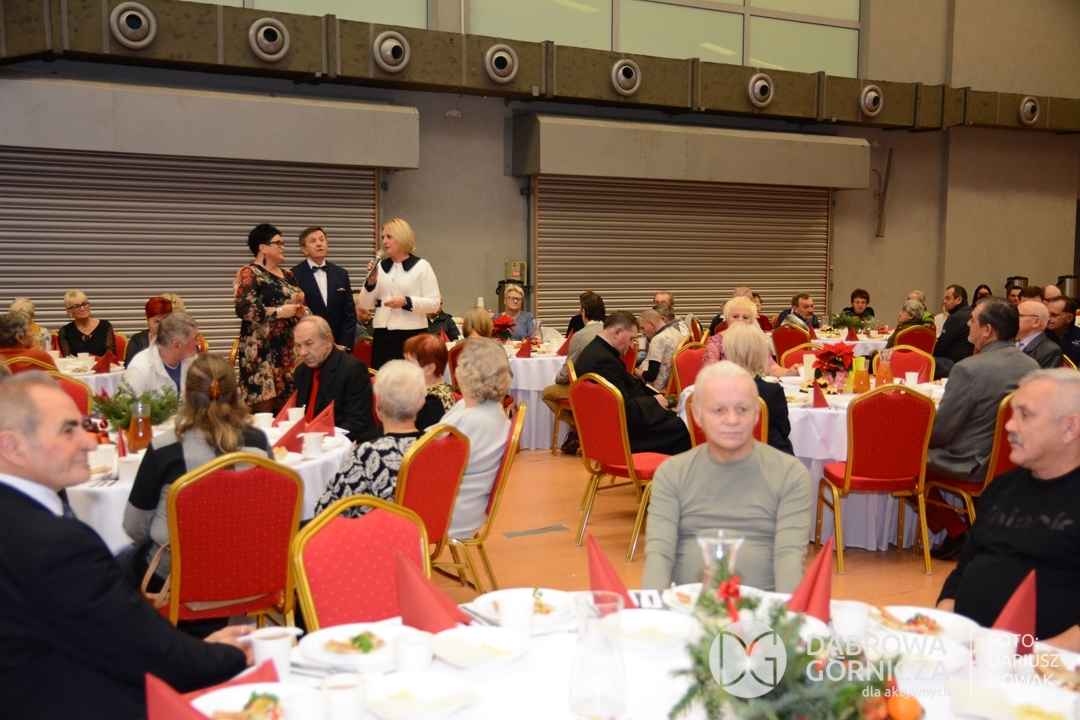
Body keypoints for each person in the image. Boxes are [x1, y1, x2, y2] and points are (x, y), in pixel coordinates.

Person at [0, 373, 252, 720]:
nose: (89, 442)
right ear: (12, 447)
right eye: (68, 430)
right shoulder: (55, 545)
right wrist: (237, 654)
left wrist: (193, 650)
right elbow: (153, 656)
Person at [937, 369, 1080, 650]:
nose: (1010, 426)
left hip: (1050, 664)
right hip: (970, 650)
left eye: (1025, 415)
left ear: (1070, 428)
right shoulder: (1002, 488)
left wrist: (1033, 658)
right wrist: (945, 624)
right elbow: (965, 567)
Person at [640, 361, 811, 592]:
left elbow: (789, 557)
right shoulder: (672, 474)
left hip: (764, 608)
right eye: (718, 410)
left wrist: (783, 613)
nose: (732, 420)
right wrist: (653, 610)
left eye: (742, 409)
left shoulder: (790, 475)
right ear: (697, 415)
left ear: (757, 414)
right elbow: (659, 555)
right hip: (688, 607)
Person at [121, 355, 271, 596]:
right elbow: (269, 513)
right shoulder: (259, 442)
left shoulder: (164, 448)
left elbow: (134, 528)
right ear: (236, 394)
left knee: (110, 566)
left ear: (185, 395)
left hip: (177, 578)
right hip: (248, 572)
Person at [924, 298, 1040, 559]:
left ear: (987, 330)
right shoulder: (1032, 367)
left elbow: (942, 431)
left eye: (973, 320)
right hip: (1014, 460)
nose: (968, 324)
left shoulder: (969, 369)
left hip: (972, 464)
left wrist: (916, 440)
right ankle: (983, 528)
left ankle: (957, 531)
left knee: (903, 460)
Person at [313, 360, 426, 518]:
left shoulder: (370, 453)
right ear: (421, 403)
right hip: (422, 527)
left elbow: (325, 509)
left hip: (378, 530)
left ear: (377, 402)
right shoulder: (434, 445)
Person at [574, 311, 692, 456]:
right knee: (688, 426)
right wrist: (654, 402)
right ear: (617, 332)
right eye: (631, 339)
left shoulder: (595, 350)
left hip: (614, 426)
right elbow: (622, 406)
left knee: (680, 421)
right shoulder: (604, 361)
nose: (631, 345)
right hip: (621, 433)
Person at [441, 339, 513, 539]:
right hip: (469, 506)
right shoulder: (491, 410)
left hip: (449, 510)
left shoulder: (469, 421)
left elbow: (426, 460)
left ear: (464, 376)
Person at [233, 223, 308, 412]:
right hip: (263, 351)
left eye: (283, 243)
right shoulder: (250, 273)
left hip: (290, 351)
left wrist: (304, 313)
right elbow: (244, 309)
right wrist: (280, 312)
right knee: (264, 414)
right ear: (263, 247)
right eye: (278, 243)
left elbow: (301, 305)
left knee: (291, 411)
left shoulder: (289, 275)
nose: (283, 247)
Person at [359, 218, 441, 369]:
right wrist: (370, 282)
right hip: (382, 336)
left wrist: (406, 301)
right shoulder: (380, 267)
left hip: (412, 336)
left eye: (389, 237)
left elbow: (434, 303)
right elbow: (365, 304)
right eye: (383, 237)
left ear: (402, 238)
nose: (384, 241)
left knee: (412, 380)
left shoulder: (421, 266)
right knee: (382, 380)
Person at [542, 292, 606, 453]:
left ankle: (580, 426)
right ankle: (583, 429)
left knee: (547, 393)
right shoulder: (613, 332)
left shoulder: (580, 337)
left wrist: (558, 379)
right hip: (611, 387)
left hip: (587, 388)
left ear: (583, 312)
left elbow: (568, 371)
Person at [292, 316, 374, 442]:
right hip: (304, 442)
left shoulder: (353, 369)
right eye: (298, 345)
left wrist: (318, 439)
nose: (302, 352)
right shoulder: (301, 371)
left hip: (338, 444)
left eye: (309, 344)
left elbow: (357, 424)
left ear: (328, 340)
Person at [722, 324, 793, 455]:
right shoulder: (772, 392)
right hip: (767, 460)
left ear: (728, 352)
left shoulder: (713, 391)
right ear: (761, 354)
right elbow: (784, 430)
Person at [291, 226, 356, 348]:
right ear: (304, 250)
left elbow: (350, 314)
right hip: (308, 345)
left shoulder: (341, 274)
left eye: (322, 240)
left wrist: (344, 345)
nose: (319, 244)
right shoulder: (294, 275)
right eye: (313, 241)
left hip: (340, 345)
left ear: (327, 244)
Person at [701, 297, 791, 377]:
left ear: (751, 321)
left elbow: (772, 369)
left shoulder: (756, 340)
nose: (740, 320)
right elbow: (709, 375)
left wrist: (789, 372)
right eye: (735, 316)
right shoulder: (715, 342)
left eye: (745, 317)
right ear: (727, 318)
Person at [123, 312, 200, 396]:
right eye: (194, 339)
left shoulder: (193, 360)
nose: (199, 343)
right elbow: (128, 403)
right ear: (177, 345)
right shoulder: (139, 369)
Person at [403, 333, 456, 431]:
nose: (403, 365)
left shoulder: (433, 403)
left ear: (429, 369)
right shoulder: (422, 388)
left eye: (409, 361)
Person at [635, 304, 682, 394]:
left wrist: (633, 370)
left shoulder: (658, 339)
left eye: (642, 328)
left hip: (652, 388)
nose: (643, 333)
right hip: (671, 386)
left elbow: (651, 376)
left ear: (651, 324)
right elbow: (665, 357)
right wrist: (648, 350)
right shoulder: (676, 333)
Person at [933, 284, 975, 378]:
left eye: (948, 298)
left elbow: (940, 349)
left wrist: (926, 351)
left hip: (954, 364)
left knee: (921, 359)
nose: (944, 302)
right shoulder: (972, 314)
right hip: (970, 363)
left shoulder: (955, 318)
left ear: (959, 300)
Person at [57, 290, 116, 357]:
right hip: (77, 364)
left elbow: (110, 356)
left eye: (84, 304)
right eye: (76, 306)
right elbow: (67, 358)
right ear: (69, 312)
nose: (82, 309)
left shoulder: (105, 326)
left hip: (101, 364)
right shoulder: (65, 331)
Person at [124, 296, 173, 366]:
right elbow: (129, 365)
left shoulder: (178, 338)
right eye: (156, 322)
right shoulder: (137, 339)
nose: (161, 325)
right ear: (147, 319)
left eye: (165, 321)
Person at [1016, 300, 1064, 369]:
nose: (1012, 319)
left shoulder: (1050, 351)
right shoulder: (1010, 341)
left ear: (1036, 322)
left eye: (1018, 315)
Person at [1047, 297, 1080, 366]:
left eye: (1054, 315)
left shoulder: (1078, 335)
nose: (1048, 319)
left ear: (1069, 318)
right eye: (1047, 314)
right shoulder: (1039, 334)